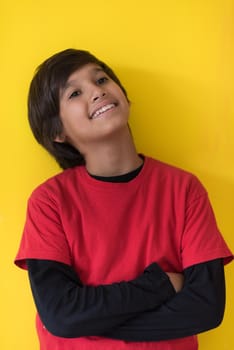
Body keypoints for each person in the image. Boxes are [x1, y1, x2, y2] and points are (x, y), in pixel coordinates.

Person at [15, 48, 233, 350]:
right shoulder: (49, 201)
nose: (97, 91)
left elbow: (205, 307)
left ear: (123, 95)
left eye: (102, 79)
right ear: (57, 132)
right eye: (75, 93)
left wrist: (91, 324)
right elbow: (61, 314)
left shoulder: (184, 189)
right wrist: (161, 285)